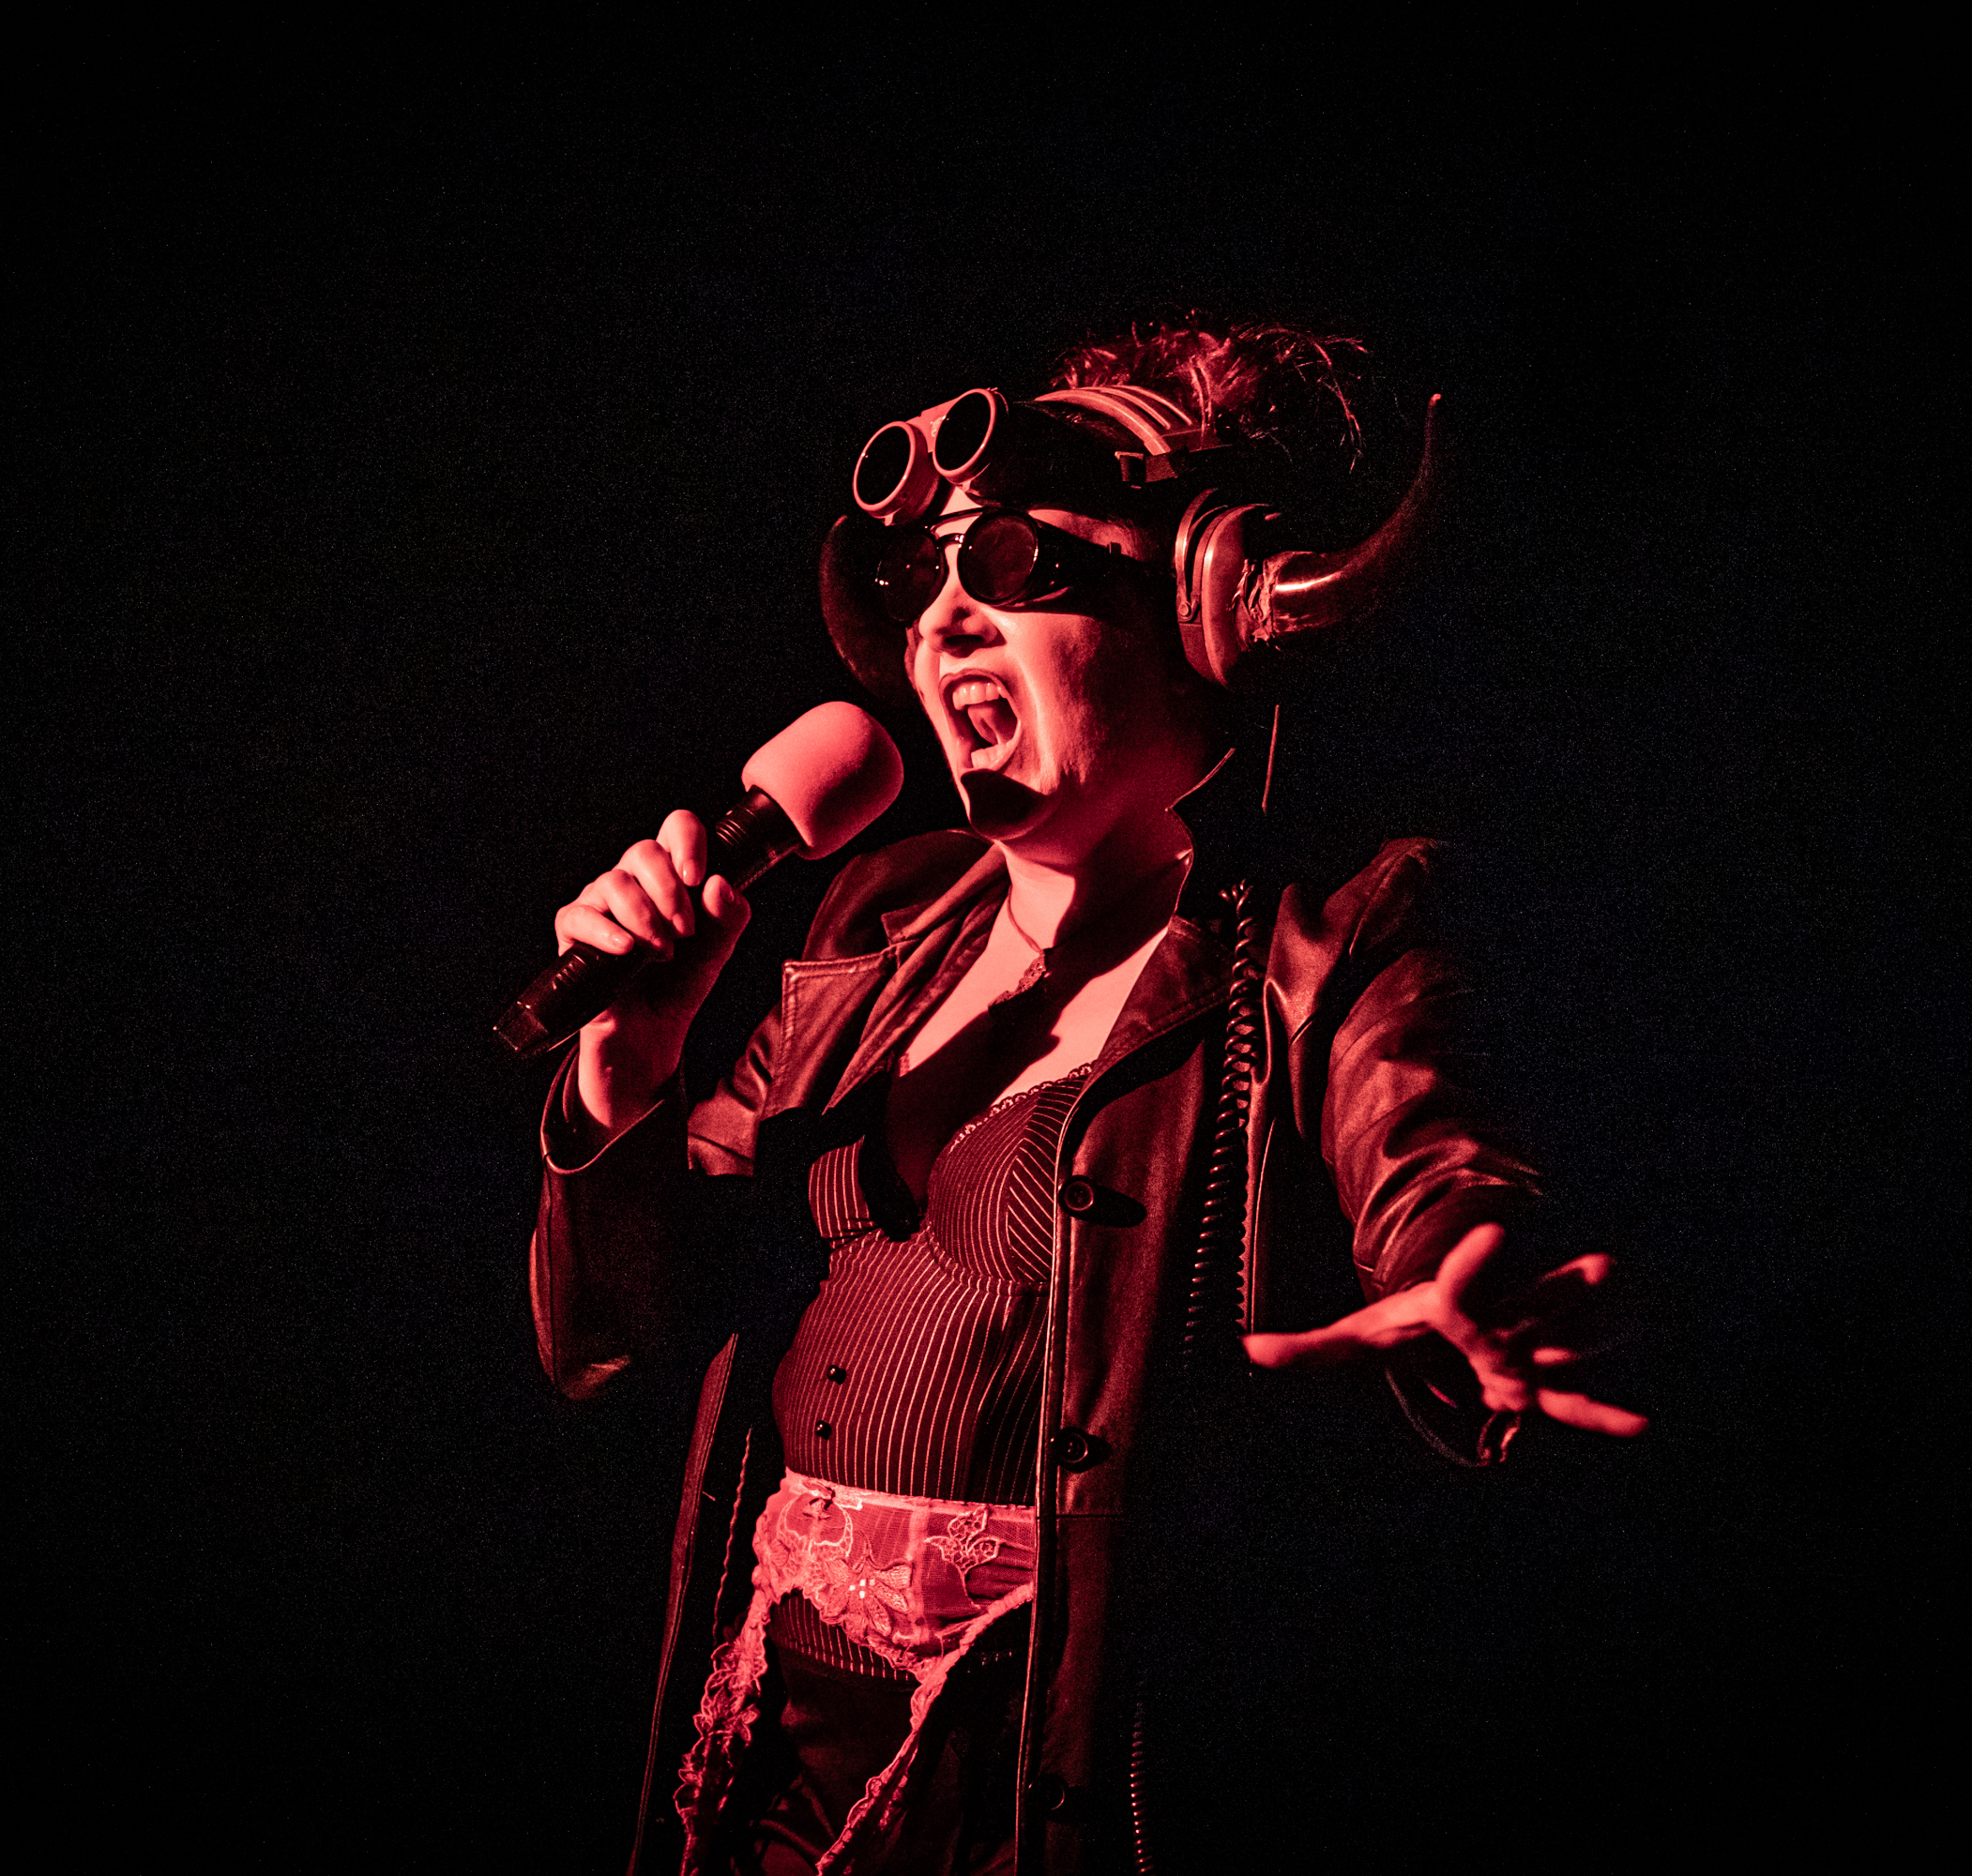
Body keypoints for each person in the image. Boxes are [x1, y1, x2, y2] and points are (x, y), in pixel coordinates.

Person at [529, 319, 1645, 1875]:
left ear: (1209, 602)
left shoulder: (1332, 938)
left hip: (1033, 1806)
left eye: (1017, 564)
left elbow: (1426, 1155)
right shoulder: (873, 925)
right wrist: (623, 1079)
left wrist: (1478, 1273)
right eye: (924, 584)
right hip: (763, 1787)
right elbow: (612, 1346)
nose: (945, 625)